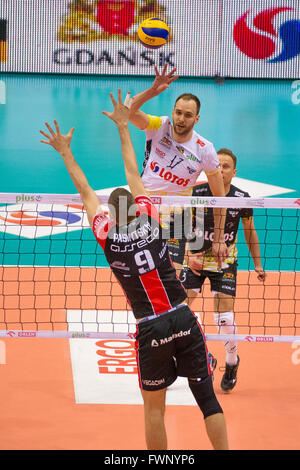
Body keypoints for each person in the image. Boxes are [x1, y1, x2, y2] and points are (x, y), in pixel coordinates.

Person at [39, 90, 229, 451]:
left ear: (111, 216)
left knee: (154, 411)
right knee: (207, 401)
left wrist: (65, 152)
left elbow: (85, 193)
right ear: (139, 208)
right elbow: (132, 170)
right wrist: (124, 128)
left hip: (150, 327)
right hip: (184, 318)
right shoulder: (155, 222)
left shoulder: (108, 239)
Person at [128, 64, 228, 274]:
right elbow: (126, 111)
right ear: (172, 112)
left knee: (171, 275)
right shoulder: (159, 126)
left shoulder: (205, 149)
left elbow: (220, 197)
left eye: (188, 115)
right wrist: (152, 91)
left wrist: (219, 239)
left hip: (178, 216)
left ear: (197, 119)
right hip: (144, 209)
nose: (181, 119)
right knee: (142, 274)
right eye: (178, 112)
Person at [180, 148, 266, 392]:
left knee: (224, 318)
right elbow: (181, 224)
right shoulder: (197, 193)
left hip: (224, 262)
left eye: (226, 166)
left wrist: (257, 263)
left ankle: (231, 362)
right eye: (217, 165)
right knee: (181, 312)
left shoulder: (241, 197)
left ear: (234, 172)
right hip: (196, 259)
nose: (220, 169)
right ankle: (201, 356)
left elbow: (249, 231)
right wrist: (188, 253)